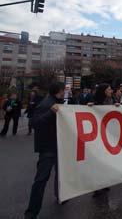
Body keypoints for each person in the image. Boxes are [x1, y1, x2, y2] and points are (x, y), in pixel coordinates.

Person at [24, 82, 65, 219]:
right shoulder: (46, 104)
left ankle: (60, 195)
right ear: (59, 90)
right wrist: (50, 112)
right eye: (64, 90)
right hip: (48, 148)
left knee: (61, 175)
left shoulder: (61, 103)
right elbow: (34, 123)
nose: (66, 92)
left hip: (59, 146)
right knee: (41, 180)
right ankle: (31, 212)